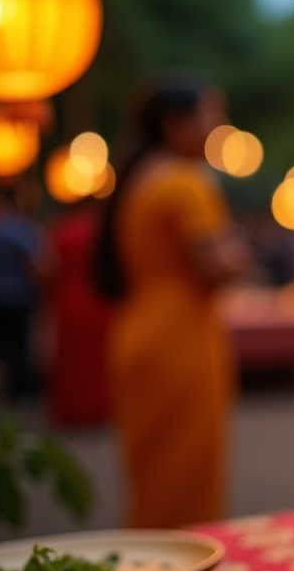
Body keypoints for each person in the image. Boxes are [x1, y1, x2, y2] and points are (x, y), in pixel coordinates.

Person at [94, 75, 246, 528]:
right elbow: (215, 268)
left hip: (139, 329)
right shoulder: (186, 182)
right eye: (210, 114)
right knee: (185, 472)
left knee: (154, 472)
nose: (218, 124)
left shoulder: (139, 178)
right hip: (180, 338)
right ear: (176, 123)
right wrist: (239, 253)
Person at [0, 188, 47, 401]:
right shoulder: (21, 227)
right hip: (18, 296)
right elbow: (35, 262)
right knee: (20, 348)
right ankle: (20, 393)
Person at [48, 197, 112, 426]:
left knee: (71, 361)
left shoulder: (62, 230)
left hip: (69, 300)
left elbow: (49, 269)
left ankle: (73, 408)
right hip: (99, 301)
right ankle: (99, 407)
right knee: (99, 360)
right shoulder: (101, 231)